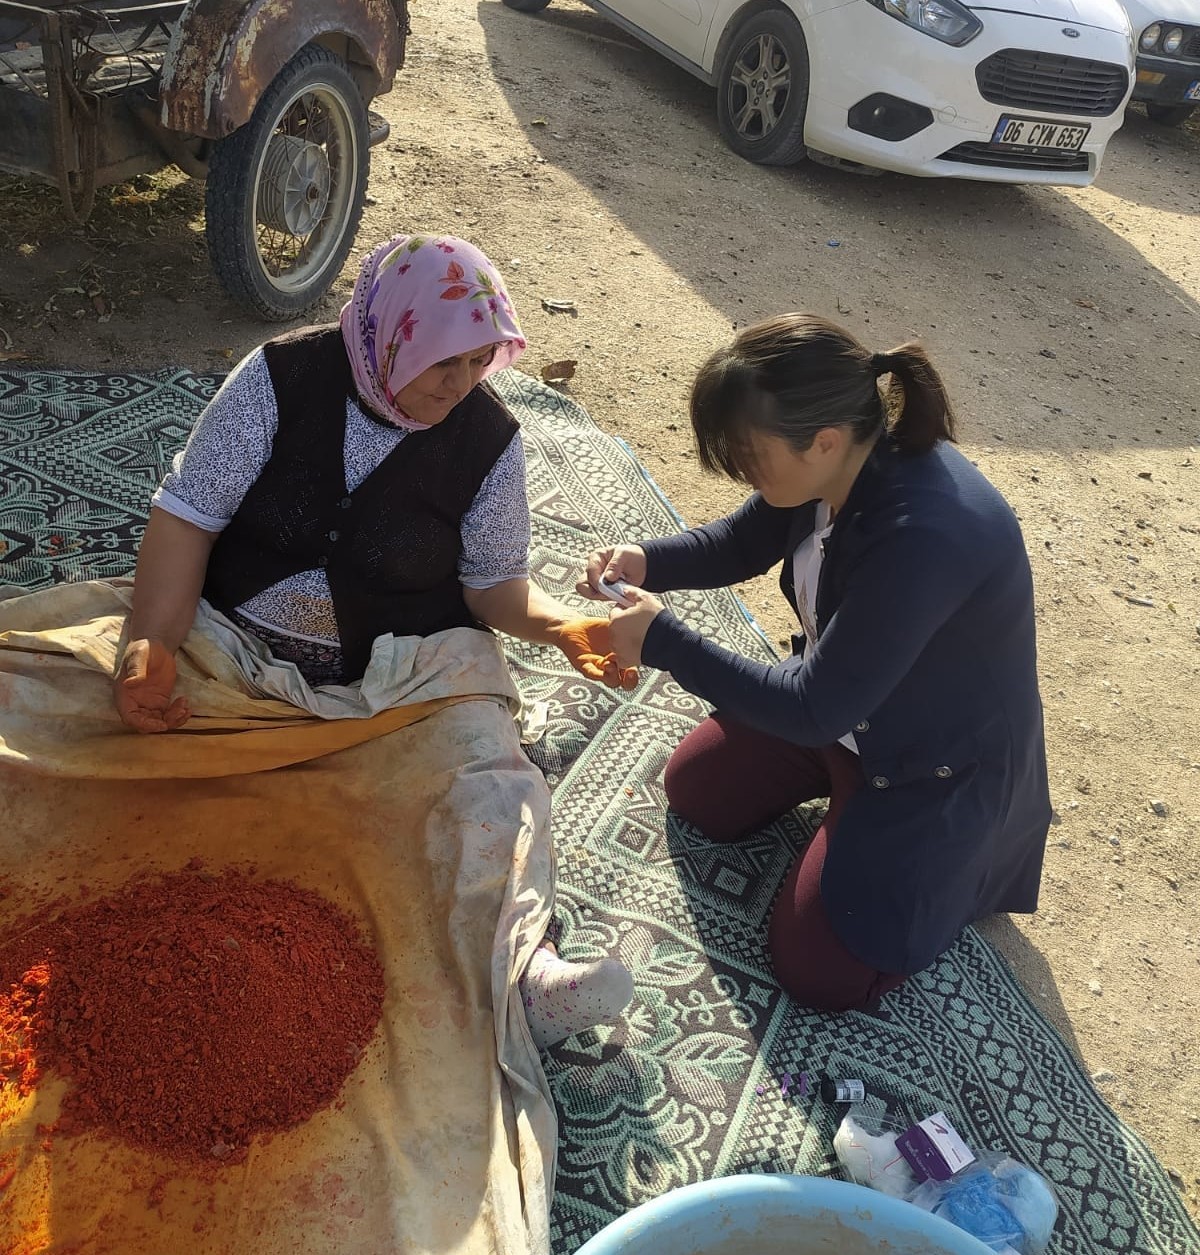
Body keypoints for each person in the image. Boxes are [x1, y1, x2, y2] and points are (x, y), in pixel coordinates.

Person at [112, 232, 633, 1048]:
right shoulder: (281, 378)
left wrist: (562, 624)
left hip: (398, 679)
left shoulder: (490, 441)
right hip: (235, 653)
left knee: (493, 781)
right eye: (444, 363)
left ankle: (524, 972)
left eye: (479, 363)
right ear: (395, 333)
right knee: (58, 702)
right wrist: (150, 643)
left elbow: (490, 585)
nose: (461, 387)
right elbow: (188, 516)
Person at [580, 314, 1052, 1013]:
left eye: (749, 454)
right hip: (846, 713)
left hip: (932, 768)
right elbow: (741, 541)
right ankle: (845, 805)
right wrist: (649, 560)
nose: (742, 470)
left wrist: (664, 642)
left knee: (820, 968)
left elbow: (811, 706)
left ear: (823, 441)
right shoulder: (837, 464)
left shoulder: (923, 536)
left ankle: (958, 870)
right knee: (698, 790)